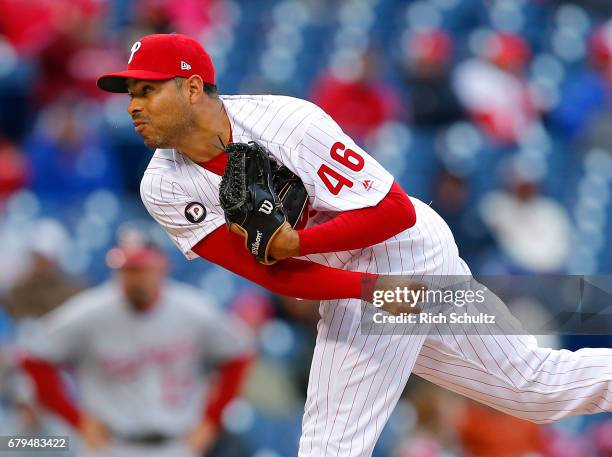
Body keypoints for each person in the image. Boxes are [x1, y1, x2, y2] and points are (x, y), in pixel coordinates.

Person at [96, 33, 612, 457]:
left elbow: (395, 211)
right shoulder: (162, 186)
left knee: (330, 447)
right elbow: (273, 273)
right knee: (537, 387)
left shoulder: (285, 121)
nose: (134, 106)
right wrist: (375, 292)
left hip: (405, 249)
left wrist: (305, 243)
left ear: (191, 88)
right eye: (131, 94)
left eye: (146, 91)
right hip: (370, 285)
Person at [19, 236, 254, 457]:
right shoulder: (90, 311)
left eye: (142, 268)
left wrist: (212, 420)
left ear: (162, 266)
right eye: (127, 269)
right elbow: (33, 356)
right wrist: (75, 419)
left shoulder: (193, 310)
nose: (134, 277)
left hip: (177, 444)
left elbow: (239, 353)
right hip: (110, 446)